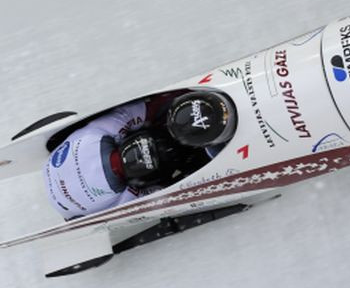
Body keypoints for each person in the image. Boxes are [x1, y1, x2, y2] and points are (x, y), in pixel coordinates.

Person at [43, 90, 236, 221]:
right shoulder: (102, 134)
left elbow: (140, 111)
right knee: (172, 164)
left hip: (61, 167)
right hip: (72, 208)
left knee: (165, 162)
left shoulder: (100, 134)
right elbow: (170, 193)